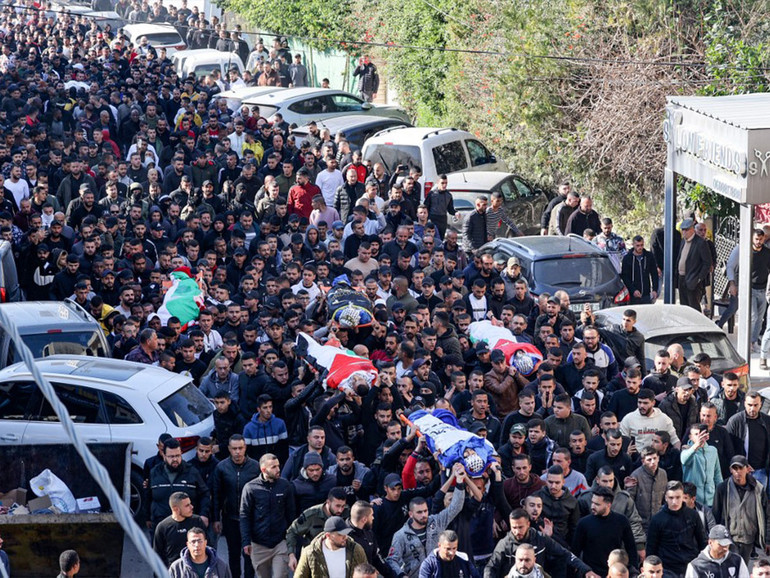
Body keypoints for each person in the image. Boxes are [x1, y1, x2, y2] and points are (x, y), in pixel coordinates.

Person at [387, 463, 467, 577]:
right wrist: (401, 575)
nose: (424, 515)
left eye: (425, 511)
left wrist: (459, 482)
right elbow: (392, 560)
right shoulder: (401, 535)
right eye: (419, 512)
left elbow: (456, 507)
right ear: (410, 514)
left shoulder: (436, 522)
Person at [483, 508, 596, 578]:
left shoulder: (540, 538)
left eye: (520, 527)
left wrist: (586, 569)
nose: (517, 531)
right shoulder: (504, 544)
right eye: (514, 527)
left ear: (528, 524)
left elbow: (564, 553)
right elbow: (490, 567)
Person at [211, 434, 261, 578]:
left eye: (240, 448)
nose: (237, 452)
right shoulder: (221, 468)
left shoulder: (255, 467)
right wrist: (216, 518)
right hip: (230, 518)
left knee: (249, 554)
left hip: (251, 519)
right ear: (229, 449)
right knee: (233, 554)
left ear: (245, 448)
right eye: (234, 449)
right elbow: (217, 495)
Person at [240, 453, 296, 578]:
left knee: (280, 575)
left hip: (280, 543)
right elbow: (244, 516)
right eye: (274, 467)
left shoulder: (285, 486)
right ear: (263, 469)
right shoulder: (250, 488)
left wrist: (291, 540)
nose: (278, 469)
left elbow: (291, 514)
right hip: (259, 544)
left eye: (278, 466)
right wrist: (246, 541)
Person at [712, 455, 770, 564]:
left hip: (748, 539)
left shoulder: (758, 489)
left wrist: (767, 540)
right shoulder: (723, 488)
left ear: (747, 469)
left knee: (742, 568)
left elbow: (767, 515)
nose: (738, 472)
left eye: (741, 468)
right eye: (735, 468)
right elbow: (716, 514)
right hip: (729, 538)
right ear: (730, 470)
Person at [571, 486, 638, 576]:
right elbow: (575, 552)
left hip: (615, 573)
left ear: (608, 505)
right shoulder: (583, 523)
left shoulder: (621, 521)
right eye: (592, 502)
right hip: (591, 573)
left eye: (597, 504)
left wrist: (633, 572)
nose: (592, 506)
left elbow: (631, 548)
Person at [145, 438, 210, 532]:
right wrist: (147, 517)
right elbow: (148, 496)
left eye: (178, 455)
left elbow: (205, 494)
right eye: (171, 456)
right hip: (161, 525)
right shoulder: (154, 472)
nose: (175, 459)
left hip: (187, 526)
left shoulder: (192, 472)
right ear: (164, 455)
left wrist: (204, 514)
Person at [646, 481, 708, 578]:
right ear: (666, 498)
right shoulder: (657, 519)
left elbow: (702, 542)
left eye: (678, 497)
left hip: (690, 565)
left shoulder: (693, 515)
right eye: (671, 498)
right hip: (667, 568)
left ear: (683, 496)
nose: (674, 502)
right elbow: (651, 549)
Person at [293, 516, 367, 578]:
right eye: (340, 534)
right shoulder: (310, 552)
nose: (345, 537)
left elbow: (366, 573)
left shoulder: (356, 549)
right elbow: (300, 576)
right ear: (328, 535)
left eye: (346, 533)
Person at [726, 392, 770, 488]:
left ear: (761, 405)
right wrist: (740, 464)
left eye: (756, 405)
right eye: (750, 405)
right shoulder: (735, 421)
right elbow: (728, 447)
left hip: (761, 471)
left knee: (759, 501)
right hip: (740, 471)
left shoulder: (767, 421)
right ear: (744, 403)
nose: (752, 408)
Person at [154, 492, 207, 567]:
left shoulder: (197, 521)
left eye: (190, 503)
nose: (192, 507)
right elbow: (157, 556)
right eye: (187, 505)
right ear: (176, 509)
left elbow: (208, 546)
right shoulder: (163, 527)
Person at [684, 525, 749, 578]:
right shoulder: (696, 566)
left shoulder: (737, 561)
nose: (725, 548)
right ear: (710, 543)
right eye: (721, 544)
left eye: (727, 544)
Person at [676, 218, 712, 311]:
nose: (684, 232)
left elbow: (707, 263)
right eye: (682, 230)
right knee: (684, 307)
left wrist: (699, 278)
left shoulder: (700, 243)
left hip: (693, 279)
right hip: (682, 278)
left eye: (686, 230)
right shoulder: (683, 241)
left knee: (693, 307)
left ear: (692, 229)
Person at [681, 423, 722, 505]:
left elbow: (717, 474)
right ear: (690, 436)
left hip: (710, 499)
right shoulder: (687, 449)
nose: (699, 437)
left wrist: (721, 493)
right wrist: (696, 446)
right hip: (693, 499)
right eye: (696, 434)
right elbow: (684, 460)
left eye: (701, 434)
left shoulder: (713, 450)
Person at [620, 235, 659, 304]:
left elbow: (654, 273)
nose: (640, 247)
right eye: (637, 245)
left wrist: (655, 289)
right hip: (633, 295)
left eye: (641, 245)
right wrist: (633, 290)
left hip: (646, 293)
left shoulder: (649, 256)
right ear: (633, 245)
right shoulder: (627, 258)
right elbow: (625, 276)